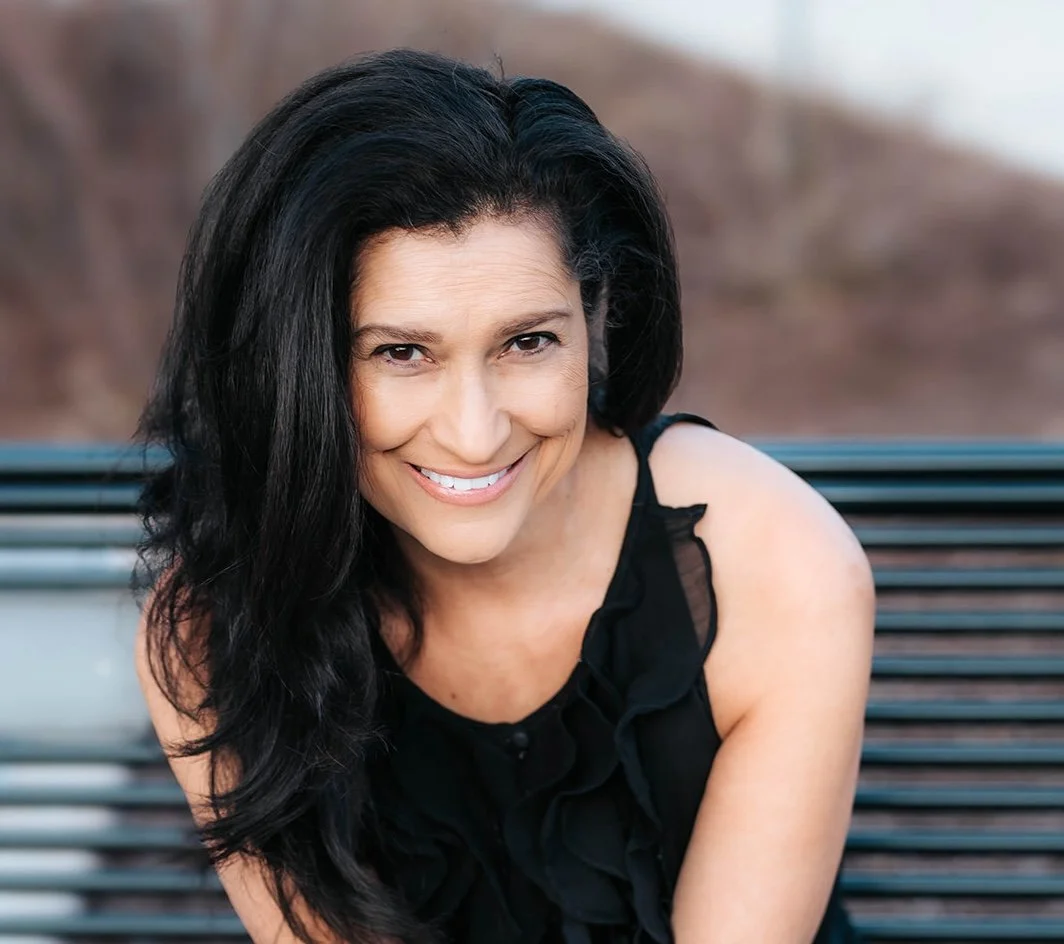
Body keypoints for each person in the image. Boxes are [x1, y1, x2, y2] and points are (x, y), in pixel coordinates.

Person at [134, 48, 875, 944]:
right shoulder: (214, 627)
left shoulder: (778, 563)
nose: (476, 433)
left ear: (593, 318)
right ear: (293, 370)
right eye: (400, 353)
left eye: (527, 342)